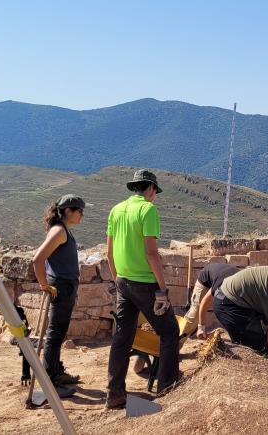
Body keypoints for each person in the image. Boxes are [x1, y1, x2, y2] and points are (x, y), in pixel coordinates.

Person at [105, 169, 179, 409]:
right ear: (149, 189)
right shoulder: (148, 210)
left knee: (122, 338)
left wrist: (118, 281)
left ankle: (114, 394)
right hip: (145, 283)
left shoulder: (116, 210)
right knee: (169, 332)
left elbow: (109, 252)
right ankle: (167, 390)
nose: (154, 196)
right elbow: (151, 253)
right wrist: (162, 288)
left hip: (123, 281)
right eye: (155, 191)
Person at [31, 194, 86, 396]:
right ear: (68, 211)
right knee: (54, 334)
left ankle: (56, 371)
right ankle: (51, 380)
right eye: (79, 210)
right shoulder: (59, 231)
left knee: (59, 332)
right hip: (61, 286)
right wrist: (44, 285)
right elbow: (38, 259)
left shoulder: (63, 230)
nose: (82, 214)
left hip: (66, 286)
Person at [184, 262, 239, 339]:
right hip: (205, 282)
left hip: (220, 274)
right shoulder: (222, 284)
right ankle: (176, 341)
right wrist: (201, 327)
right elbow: (203, 304)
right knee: (194, 316)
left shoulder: (243, 286)